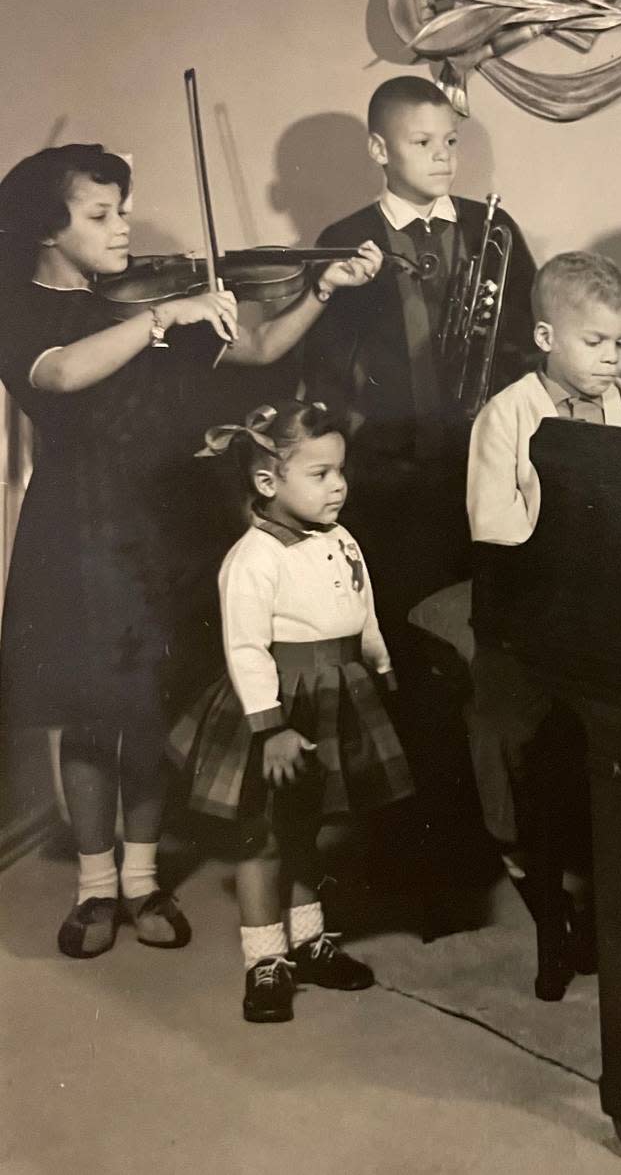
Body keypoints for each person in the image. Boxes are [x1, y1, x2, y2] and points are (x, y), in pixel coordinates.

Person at [0, 143, 381, 960]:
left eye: (123, 207)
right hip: (80, 524)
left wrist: (320, 290)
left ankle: (140, 879)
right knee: (92, 709)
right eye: (99, 214)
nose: (122, 224)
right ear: (46, 228)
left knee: (149, 704)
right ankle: (95, 885)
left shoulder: (138, 301)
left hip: (161, 519)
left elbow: (262, 346)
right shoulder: (24, 304)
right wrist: (159, 317)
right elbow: (59, 375)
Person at [168, 401, 413, 1023]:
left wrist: (380, 667)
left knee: (314, 827)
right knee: (264, 835)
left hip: (336, 691)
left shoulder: (340, 536)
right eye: (321, 474)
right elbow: (245, 648)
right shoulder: (253, 558)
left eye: (340, 471)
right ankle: (266, 958)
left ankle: (307, 939)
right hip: (279, 704)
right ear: (267, 483)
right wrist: (271, 727)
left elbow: (365, 612)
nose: (339, 486)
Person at [465, 252, 621, 996]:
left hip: (615, 616)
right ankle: (550, 910)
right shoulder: (509, 413)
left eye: (619, 342)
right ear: (547, 335)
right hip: (530, 612)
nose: (611, 357)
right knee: (510, 739)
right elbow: (498, 528)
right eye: (594, 342)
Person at [303, 74, 537, 649]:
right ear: (379, 150)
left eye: (451, 142)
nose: (443, 157)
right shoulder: (346, 239)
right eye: (422, 142)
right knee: (405, 630)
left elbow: (526, 341)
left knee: (490, 626)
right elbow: (329, 371)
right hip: (392, 481)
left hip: (484, 466)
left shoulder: (493, 229)